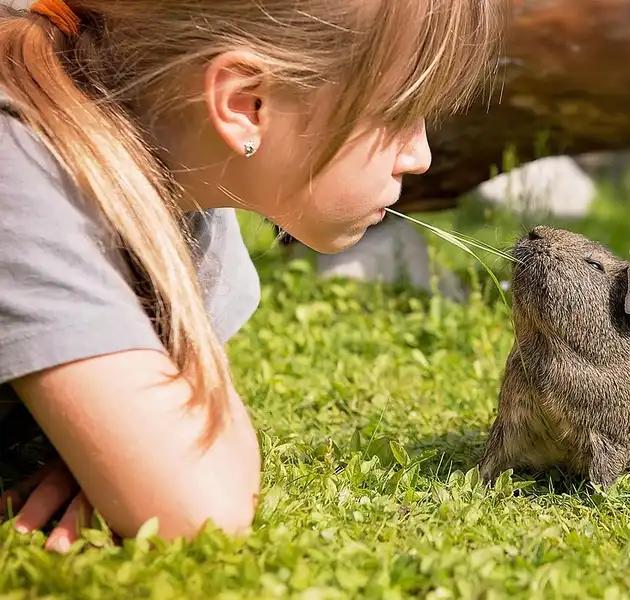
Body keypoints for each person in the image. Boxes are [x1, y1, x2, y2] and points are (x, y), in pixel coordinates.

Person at [0, 0, 504, 552]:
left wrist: (114, 446)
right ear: (245, 104)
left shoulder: (189, 189)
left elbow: (183, 440)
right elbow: (201, 509)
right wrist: (150, 458)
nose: (421, 155)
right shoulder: (22, 172)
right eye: (397, 114)